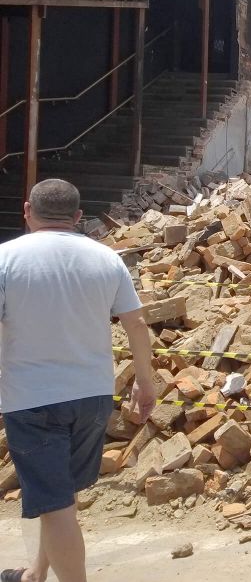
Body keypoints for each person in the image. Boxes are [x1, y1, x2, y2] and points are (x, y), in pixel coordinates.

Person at [0, 179, 156, 582]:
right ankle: (36, 573)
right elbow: (136, 323)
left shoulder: (6, 258)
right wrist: (144, 380)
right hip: (92, 397)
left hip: (31, 399)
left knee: (54, 504)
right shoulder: (106, 259)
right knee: (59, 499)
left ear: (27, 211)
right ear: (77, 217)